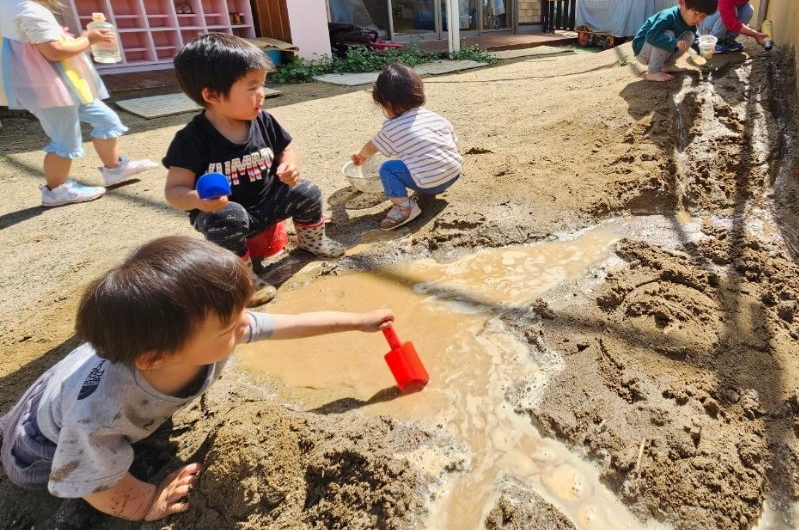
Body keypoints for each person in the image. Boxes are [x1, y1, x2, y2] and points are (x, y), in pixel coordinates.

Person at [0, 236, 395, 522]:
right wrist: (147, 502)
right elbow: (91, 480)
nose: (247, 324)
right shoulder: (99, 413)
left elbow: (289, 325)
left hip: (69, 378)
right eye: (231, 323)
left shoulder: (204, 332)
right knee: (83, 462)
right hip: (40, 445)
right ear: (157, 358)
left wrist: (358, 322)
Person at [163, 33, 344, 306]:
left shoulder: (263, 121)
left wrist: (289, 165)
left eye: (262, 85)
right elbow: (174, 190)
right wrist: (198, 201)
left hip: (268, 202)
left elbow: (286, 149)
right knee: (229, 216)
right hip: (224, 214)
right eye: (252, 88)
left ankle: (311, 241)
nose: (261, 94)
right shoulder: (191, 140)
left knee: (307, 190)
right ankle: (241, 277)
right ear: (212, 95)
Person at [0, 0, 155, 206]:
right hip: (52, 90)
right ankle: (56, 190)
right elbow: (54, 51)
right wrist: (89, 38)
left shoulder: (8, 4)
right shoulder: (26, 8)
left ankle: (115, 167)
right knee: (65, 141)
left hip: (62, 86)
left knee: (105, 120)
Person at [351, 63, 462, 230]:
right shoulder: (435, 117)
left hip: (431, 184)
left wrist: (361, 156)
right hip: (453, 173)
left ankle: (405, 208)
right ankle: (430, 180)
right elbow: (452, 142)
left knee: (388, 168)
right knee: (411, 154)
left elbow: (371, 148)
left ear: (386, 102)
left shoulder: (391, 128)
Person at [632, 0, 718, 83]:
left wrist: (702, 49)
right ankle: (653, 72)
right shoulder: (669, 16)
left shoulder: (690, 20)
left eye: (703, 16)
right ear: (682, 2)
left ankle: (667, 65)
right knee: (668, 34)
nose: (698, 19)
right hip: (642, 50)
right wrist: (675, 42)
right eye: (696, 13)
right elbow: (651, 36)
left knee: (690, 35)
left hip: (655, 48)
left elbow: (694, 38)